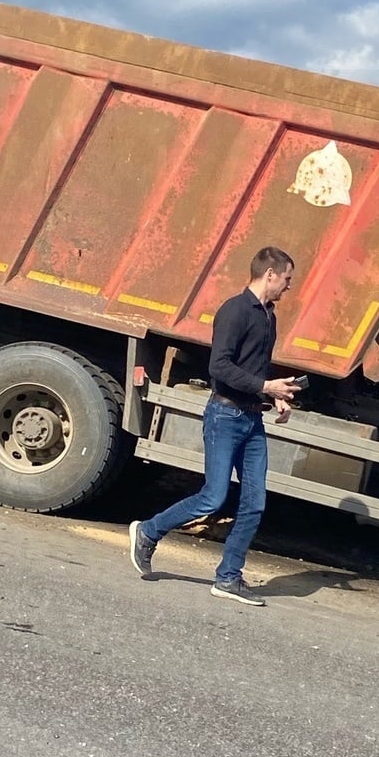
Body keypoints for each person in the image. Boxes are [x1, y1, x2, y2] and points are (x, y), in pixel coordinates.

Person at [128, 247, 301, 607]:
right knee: (213, 496)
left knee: (255, 503)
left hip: (252, 418)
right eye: (287, 279)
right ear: (269, 274)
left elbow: (252, 370)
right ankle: (148, 531)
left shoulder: (268, 316)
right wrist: (265, 386)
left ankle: (228, 578)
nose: (289, 287)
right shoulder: (234, 311)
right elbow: (219, 368)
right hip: (224, 417)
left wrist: (275, 396)